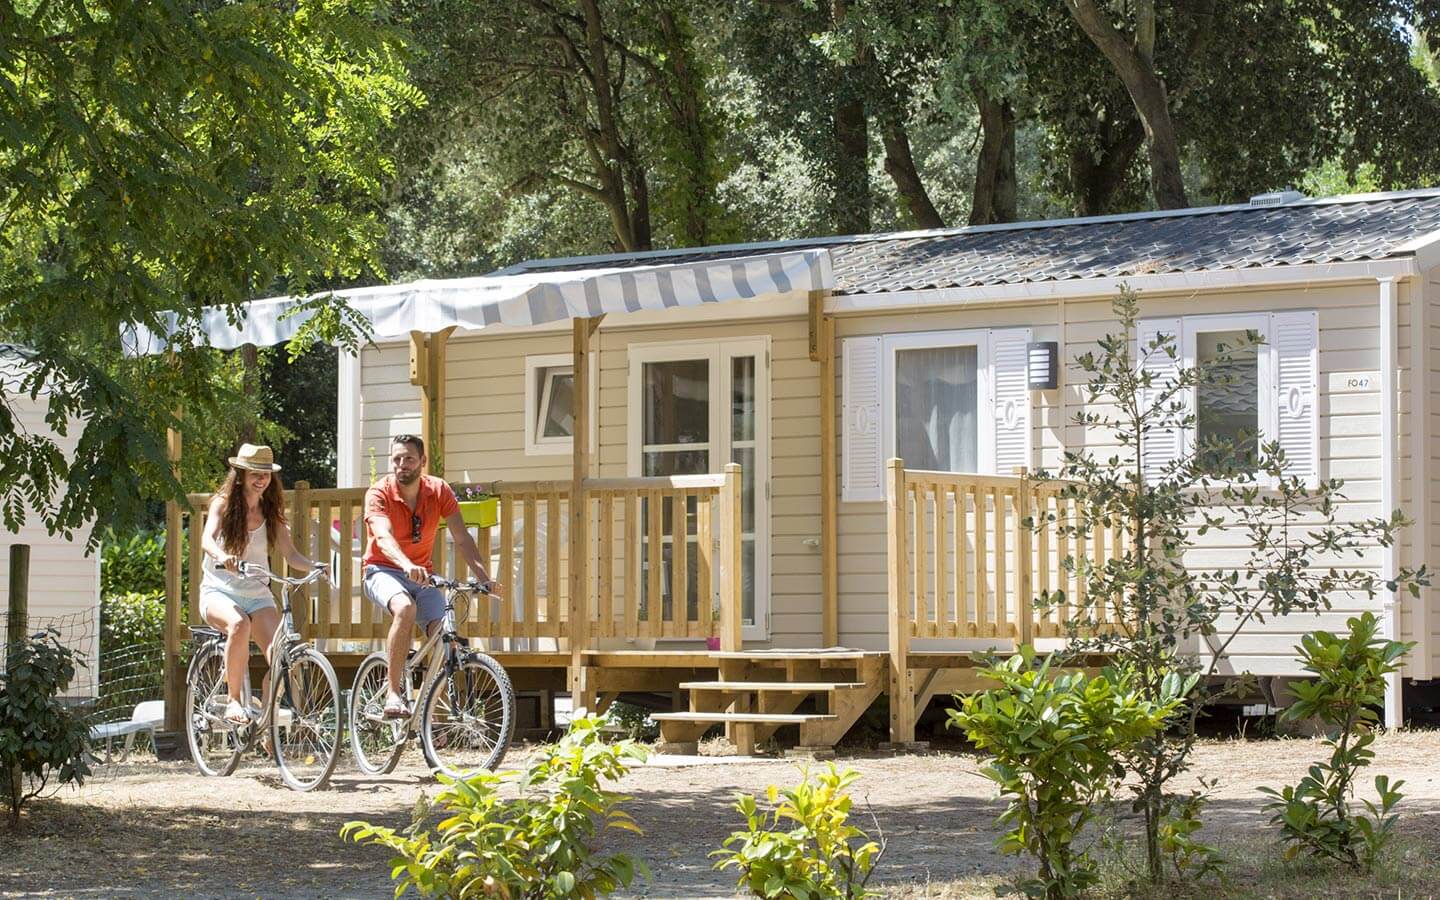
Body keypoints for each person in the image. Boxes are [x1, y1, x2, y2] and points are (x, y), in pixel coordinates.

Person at [362, 434, 498, 718]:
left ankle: (430, 714)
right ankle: (394, 693)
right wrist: (405, 563)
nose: (402, 465)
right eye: (396, 459)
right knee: (405, 608)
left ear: (422, 461)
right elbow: (382, 536)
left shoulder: (438, 490)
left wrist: (485, 577)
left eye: (409, 458)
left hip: (422, 576)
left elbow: (462, 538)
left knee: (443, 632)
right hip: (381, 570)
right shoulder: (379, 493)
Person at [199, 443, 326, 725]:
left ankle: (267, 716)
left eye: (266, 474)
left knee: (282, 658)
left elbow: (290, 554)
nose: (261, 479)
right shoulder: (223, 503)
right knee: (239, 624)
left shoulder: (270, 511)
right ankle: (234, 701)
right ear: (241, 474)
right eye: (255, 472)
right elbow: (207, 539)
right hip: (219, 590)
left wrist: (315, 566)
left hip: (257, 594)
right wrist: (222, 556)